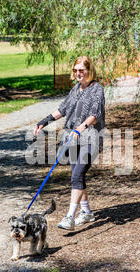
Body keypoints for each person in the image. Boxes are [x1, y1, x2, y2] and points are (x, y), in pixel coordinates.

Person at [33, 56, 105, 230]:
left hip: (90, 139)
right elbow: (63, 109)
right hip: (73, 140)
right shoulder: (75, 89)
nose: (78, 73)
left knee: (77, 175)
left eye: (81, 70)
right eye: (75, 70)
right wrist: (44, 121)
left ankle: (70, 217)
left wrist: (81, 127)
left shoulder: (97, 89)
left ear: (89, 70)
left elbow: (96, 114)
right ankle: (86, 212)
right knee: (77, 176)